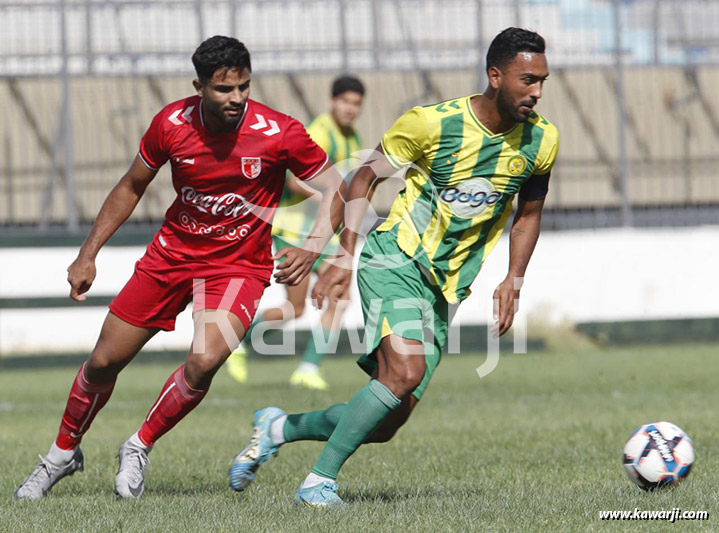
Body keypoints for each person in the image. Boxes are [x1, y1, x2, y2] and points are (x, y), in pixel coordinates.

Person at [228, 27, 559, 507]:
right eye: (527, 79)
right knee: (402, 374)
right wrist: (344, 253)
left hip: (446, 287)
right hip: (394, 258)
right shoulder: (432, 123)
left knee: (387, 419)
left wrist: (514, 278)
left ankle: (279, 427)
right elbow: (362, 177)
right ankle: (318, 484)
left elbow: (529, 214)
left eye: (543, 81)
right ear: (495, 75)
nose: (537, 91)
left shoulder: (541, 141)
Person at [13, 35, 344, 501]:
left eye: (244, 87)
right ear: (199, 86)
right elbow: (131, 186)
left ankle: (139, 445)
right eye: (224, 90)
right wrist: (88, 253)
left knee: (205, 360)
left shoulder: (279, 132)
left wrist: (312, 248)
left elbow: (338, 187)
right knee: (104, 361)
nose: (237, 99)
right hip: (171, 256)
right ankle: (61, 455)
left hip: (237, 267)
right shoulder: (170, 123)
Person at [225, 75, 365, 390]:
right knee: (296, 308)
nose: (351, 109)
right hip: (293, 232)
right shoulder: (319, 132)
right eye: (345, 101)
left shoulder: (353, 140)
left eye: (356, 103)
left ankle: (307, 368)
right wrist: (330, 198)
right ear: (332, 102)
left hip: (322, 236)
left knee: (338, 298)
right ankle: (236, 342)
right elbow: (293, 181)